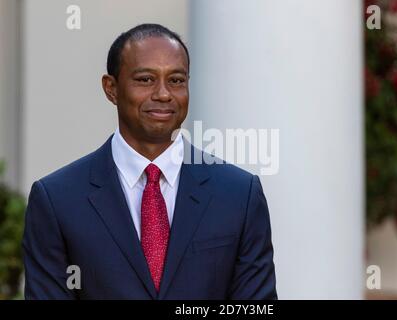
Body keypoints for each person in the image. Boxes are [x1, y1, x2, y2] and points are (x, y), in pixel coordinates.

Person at [22, 23, 277, 300]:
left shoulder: (239, 194)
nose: (164, 94)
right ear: (111, 88)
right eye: (145, 80)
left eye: (177, 80)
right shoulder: (58, 200)